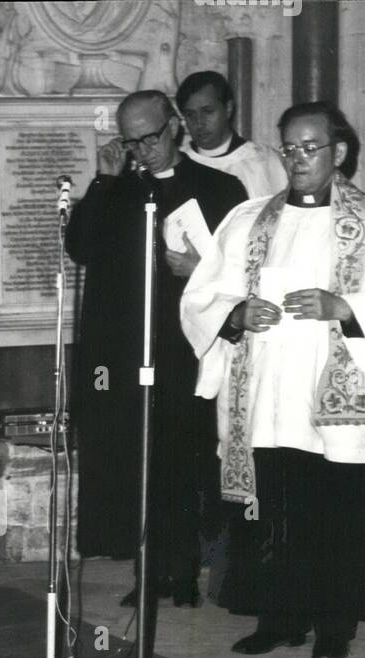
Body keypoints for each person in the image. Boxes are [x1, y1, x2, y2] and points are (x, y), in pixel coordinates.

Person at [182, 101, 365, 658]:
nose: (297, 159)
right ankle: (278, 617)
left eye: (310, 147)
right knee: (272, 506)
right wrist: (235, 313)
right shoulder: (250, 219)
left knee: (335, 510)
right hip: (267, 397)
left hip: (336, 403)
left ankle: (333, 623)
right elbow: (202, 294)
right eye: (289, 148)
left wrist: (345, 306)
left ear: (339, 152)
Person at [67, 89, 248, 608]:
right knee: (138, 463)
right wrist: (101, 180)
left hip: (187, 347)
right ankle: (149, 572)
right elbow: (80, 246)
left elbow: (241, 268)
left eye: (149, 137)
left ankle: (188, 571)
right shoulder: (119, 189)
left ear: (174, 127)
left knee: (185, 463)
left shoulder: (220, 187)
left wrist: (201, 269)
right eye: (130, 141)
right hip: (128, 350)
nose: (141, 150)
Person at [178, 70, 288, 199]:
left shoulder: (267, 162)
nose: (199, 123)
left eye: (208, 111)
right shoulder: (177, 164)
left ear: (228, 109)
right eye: (191, 115)